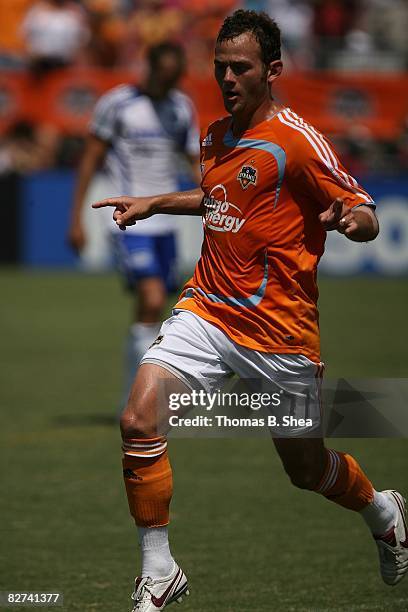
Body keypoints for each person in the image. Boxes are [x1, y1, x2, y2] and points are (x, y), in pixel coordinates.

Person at [92, 10, 408, 611]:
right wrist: (157, 201)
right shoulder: (215, 135)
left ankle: (380, 508)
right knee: (139, 418)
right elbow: (220, 197)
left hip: (281, 336)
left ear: (274, 71)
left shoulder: (298, 140)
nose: (228, 78)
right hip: (208, 311)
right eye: (220, 66)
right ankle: (159, 571)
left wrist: (353, 222)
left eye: (241, 67)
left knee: (307, 470)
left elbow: (361, 209)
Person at [68, 41, 200, 406]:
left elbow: (195, 163)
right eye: (166, 75)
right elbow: (90, 159)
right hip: (128, 219)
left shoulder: (181, 107)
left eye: (177, 77)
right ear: (151, 68)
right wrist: (76, 219)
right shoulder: (118, 104)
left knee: (156, 308)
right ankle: (137, 399)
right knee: (152, 295)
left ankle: (139, 391)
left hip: (166, 221)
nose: (171, 82)